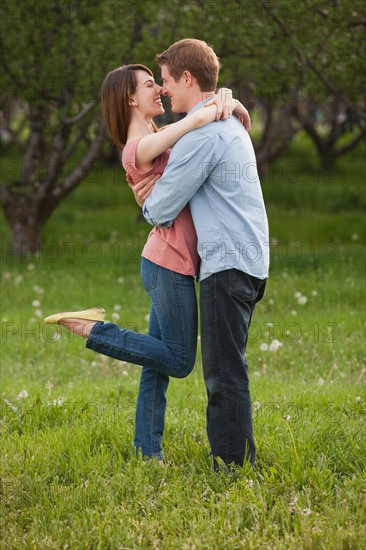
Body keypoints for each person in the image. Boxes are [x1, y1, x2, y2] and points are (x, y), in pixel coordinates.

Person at [44, 62, 250, 463]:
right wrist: (209, 109)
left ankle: (147, 451)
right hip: (167, 264)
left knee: (155, 363)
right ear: (131, 99)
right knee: (178, 360)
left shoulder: (156, 137)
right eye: (150, 84)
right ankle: (93, 330)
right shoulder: (137, 147)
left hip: (170, 261)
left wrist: (225, 100)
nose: (160, 89)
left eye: (159, 82)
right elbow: (190, 128)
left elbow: (199, 137)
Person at [132, 39, 269, 470]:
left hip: (225, 265)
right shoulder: (228, 121)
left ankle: (231, 465)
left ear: (188, 78)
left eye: (168, 80)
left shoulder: (203, 133)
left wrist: (145, 195)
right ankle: (236, 458)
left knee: (223, 373)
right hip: (250, 261)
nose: (165, 90)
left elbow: (160, 208)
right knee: (232, 366)